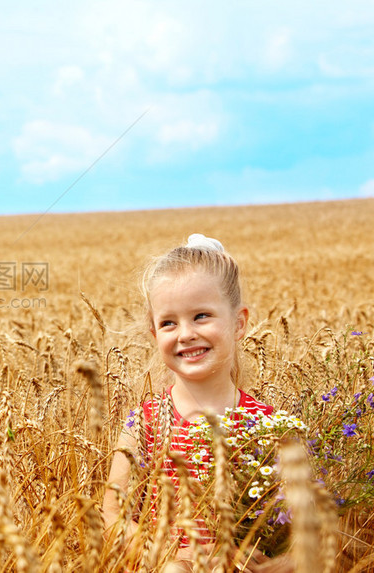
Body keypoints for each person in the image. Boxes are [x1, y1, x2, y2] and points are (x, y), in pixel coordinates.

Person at [101, 234, 293, 573]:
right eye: (168, 323)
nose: (185, 333)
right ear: (154, 334)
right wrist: (170, 557)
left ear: (239, 323)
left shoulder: (268, 426)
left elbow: (311, 527)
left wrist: (283, 564)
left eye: (201, 316)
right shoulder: (144, 424)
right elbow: (112, 518)